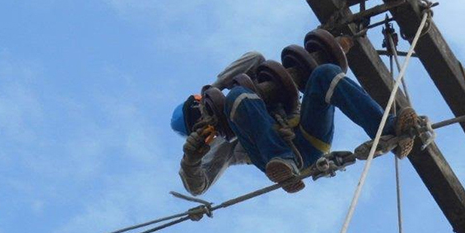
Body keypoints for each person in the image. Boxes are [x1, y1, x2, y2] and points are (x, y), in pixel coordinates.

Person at [171, 50, 418, 195]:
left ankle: (388, 130)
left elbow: (254, 57)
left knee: (325, 74)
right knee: (237, 98)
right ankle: (282, 162)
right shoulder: (221, 144)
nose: (203, 117)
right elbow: (197, 186)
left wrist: (215, 89)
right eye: (198, 120)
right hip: (287, 161)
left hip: (311, 137)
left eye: (200, 109)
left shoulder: (250, 87)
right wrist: (191, 158)